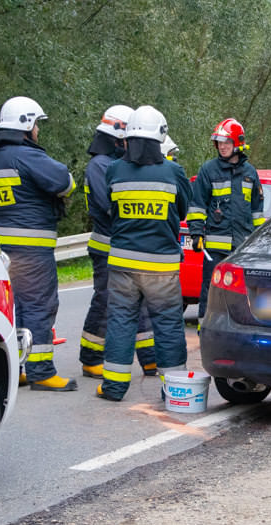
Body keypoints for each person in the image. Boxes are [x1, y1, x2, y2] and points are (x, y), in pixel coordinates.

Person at [0, 97, 77, 391]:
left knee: (15, 310)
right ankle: (42, 372)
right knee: (39, 307)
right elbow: (65, 181)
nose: (38, 130)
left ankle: (17, 368)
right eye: (36, 124)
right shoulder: (25, 155)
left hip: (4, 249)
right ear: (25, 125)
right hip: (32, 249)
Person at [97, 106, 192, 401]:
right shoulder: (173, 172)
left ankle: (113, 388)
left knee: (120, 323)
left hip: (122, 264)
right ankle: (174, 390)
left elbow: (110, 210)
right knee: (167, 325)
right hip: (161, 267)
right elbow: (183, 210)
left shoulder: (114, 170)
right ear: (160, 137)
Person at [80, 106, 159, 379]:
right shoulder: (100, 165)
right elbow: (111, 207)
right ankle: (91, 358)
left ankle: (150, 359)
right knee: (106, 301)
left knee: (141, 301)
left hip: (127, 248)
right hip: (107, 248)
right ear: (117, 136)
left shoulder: (117, 165)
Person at [188, 118, 265, 329]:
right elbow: (197, 205)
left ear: (237, 144)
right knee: (211, 290)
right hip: (215, 248)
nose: (222, 147)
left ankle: (242, 329)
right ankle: (205, 328)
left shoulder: (250, 173)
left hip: (243, 247)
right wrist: (196, 234)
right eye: (219, 143)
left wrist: (259, 241)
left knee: (243, 292)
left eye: (226, 142)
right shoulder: (208, 170)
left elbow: (257, 211)